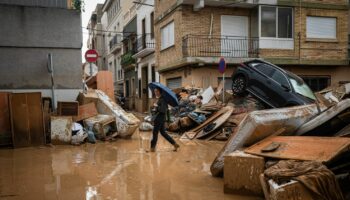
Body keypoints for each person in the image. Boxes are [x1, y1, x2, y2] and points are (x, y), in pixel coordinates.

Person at [150, 87, 180, 152]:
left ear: (160, 92)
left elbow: (163, 110)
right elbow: (160, 109)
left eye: (157, 91)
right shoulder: (160, 99)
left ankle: (152, 148)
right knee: (163, 133)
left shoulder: (162, 99)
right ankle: (175, 144)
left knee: (155, 133)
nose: (156, 93)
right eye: (155, 91)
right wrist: (155, 108)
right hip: (161, 118)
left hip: (159, 119)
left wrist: (156, 106)